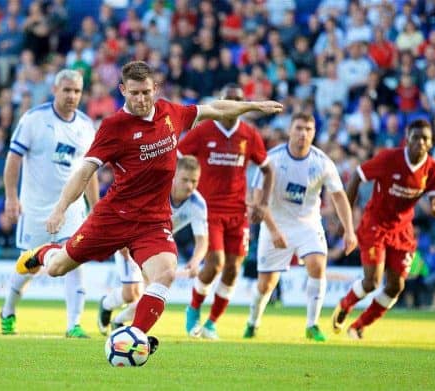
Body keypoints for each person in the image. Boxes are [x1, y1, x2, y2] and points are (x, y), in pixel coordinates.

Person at [14, 61, 282, 354]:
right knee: (56, 268)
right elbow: (85, 171)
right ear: (122, 91)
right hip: (113, 217)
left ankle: (133, 338)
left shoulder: (171, 113)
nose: (141, 100)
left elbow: (215, 109)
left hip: (153, 223)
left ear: (155, 88)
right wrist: (61, 208)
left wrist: (254, 106)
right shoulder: (114, 127)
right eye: (134, 93)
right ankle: (41, 253)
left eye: (145, 92)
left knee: (166, 273)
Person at [0, 69, 98, 338]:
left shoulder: (86, 127)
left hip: (71, 209)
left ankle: (73, 324)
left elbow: (88, 172)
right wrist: (11, 196)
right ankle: (8, 309)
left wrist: (96, 207)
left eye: (77, 91)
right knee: (29, 268)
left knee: (74, 260)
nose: (72, 96)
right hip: (35, 209)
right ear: (55, 90)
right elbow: (13, 159)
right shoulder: (33, 119)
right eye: (67, 90)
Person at [243, 113, 357, 341]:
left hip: (307, 223)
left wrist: (349, 230)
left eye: (308, 129)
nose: (303, 134)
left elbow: (339, 196)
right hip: (275, 222)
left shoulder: (322, 162)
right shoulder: (272, 160)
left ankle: (312, 325)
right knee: (266, 285)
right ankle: (253, 323)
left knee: (317, 265)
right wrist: (274, 231)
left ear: (314, 133)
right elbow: (256, 199)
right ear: (290, 131)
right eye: (299, 128)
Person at [332, 119, 435, 339]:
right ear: (407, 138)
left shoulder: (433, 169)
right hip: (375, 223)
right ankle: (345, 304)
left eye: (425, 139)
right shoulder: (389, 158)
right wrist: (343, 217)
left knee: (396, 286)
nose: (420, 142)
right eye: (416, 137)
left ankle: (358, 326)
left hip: (402, 231)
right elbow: (357, 175)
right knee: (373, 281)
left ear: (431, 143)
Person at [179, 83, 275, 340]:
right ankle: (194, 308)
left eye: (238, 100)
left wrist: (263, 203)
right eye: (228, 99)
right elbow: (177, 156)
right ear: (220, 101)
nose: (233, 103)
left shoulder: (249, 135)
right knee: (216, 262)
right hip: (208, 210)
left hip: (238, 212)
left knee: (233, 268)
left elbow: (267, 169)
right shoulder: (204, 130)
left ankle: (211, 322)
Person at [97, 155, 209, 334]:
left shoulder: (198, 203)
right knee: (130, 294)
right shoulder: (158, 191)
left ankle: (119, 322)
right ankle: (106, 304)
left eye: (194, 181)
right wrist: (123, 242)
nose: (189, 185)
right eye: (185, 180)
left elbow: (202, 240)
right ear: (174, 176)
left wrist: (196, 261)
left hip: (156, 248)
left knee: (151, 293)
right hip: (130, 239)